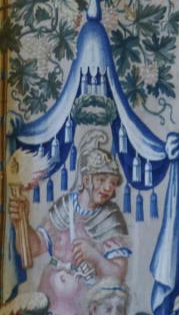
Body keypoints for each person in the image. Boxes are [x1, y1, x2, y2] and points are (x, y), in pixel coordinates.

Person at [8, 131, 132, 315]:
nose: (107, 187)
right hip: (49, 294)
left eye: (113, 182)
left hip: (85, 302)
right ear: (86, 179)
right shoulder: (64, 207)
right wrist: (22, 223)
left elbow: (118, 274)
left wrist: (94, 257)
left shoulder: (111, 217)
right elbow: (34, 248)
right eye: (101, 179)